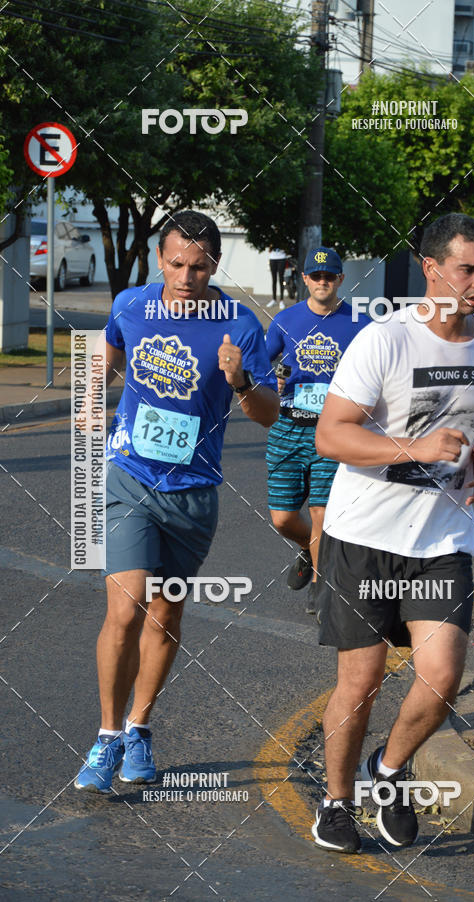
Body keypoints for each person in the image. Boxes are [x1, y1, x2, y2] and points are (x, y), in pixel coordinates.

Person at [75, 210, 278, 793]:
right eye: (176, 264)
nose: (186, 277)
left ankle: (140, 726)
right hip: (129, 478)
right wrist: (93, 394)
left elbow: (267, 414)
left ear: (215, 264)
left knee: (165, 613)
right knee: (126, 606)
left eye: (199, 266)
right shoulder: (131, 305)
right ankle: (108, 735)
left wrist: (240, 382)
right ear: (160, 260)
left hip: (193, 493)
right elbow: (107, 354)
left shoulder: (239, 325)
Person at [311, 213, 474, 853]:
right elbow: (330, 434)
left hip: (442, 540)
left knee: (441, 676)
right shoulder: (383, 340)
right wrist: (412, 445)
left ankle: (386, 771)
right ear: (432, 269)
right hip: (364, 536)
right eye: (466, 269)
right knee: (358, 685)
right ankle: (335, 805)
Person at [265, 247, 370, 614]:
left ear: (340, 279)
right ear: (304, 279)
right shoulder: (286, 320)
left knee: (323, 511)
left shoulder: (361, 322)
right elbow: (262, 364)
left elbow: (378, 368)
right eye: (316, 276)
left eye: (330, 276)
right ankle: (308, 552)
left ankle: (320, 588)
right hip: (288, 427)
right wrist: (270, 383)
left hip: (333, 431)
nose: (323, 282)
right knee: (283, 517)